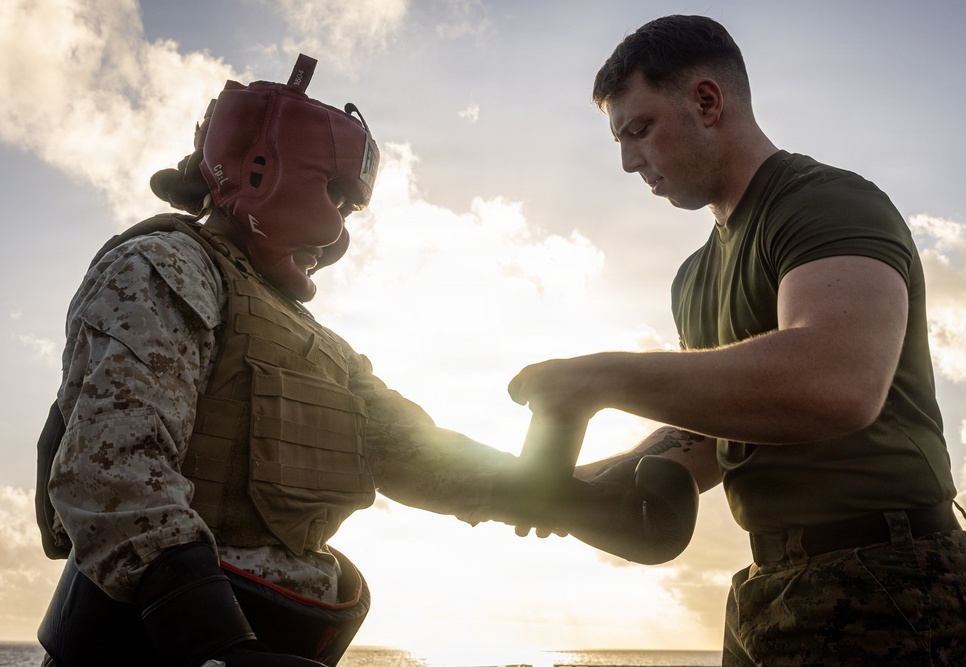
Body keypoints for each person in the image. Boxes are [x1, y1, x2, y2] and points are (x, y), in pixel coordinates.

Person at [34, 54, 699, 667]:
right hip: (158, 648)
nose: (342, 227)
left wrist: (565, 498)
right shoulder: (165, 266)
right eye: (338, 197)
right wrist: (215, 645)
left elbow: (418, 454)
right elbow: (114, 469)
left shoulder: (317, 345)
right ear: (266, 167)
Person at [507, 15, 966, 665]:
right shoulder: (692, 279)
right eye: (620, 140)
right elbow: (711, 441)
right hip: (764, 590)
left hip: (898, 580)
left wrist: (595, 378)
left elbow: (837, 383)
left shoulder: (825, 203)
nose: (629, 161)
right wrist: (564, 481)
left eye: (639, 129)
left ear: (707, 101)